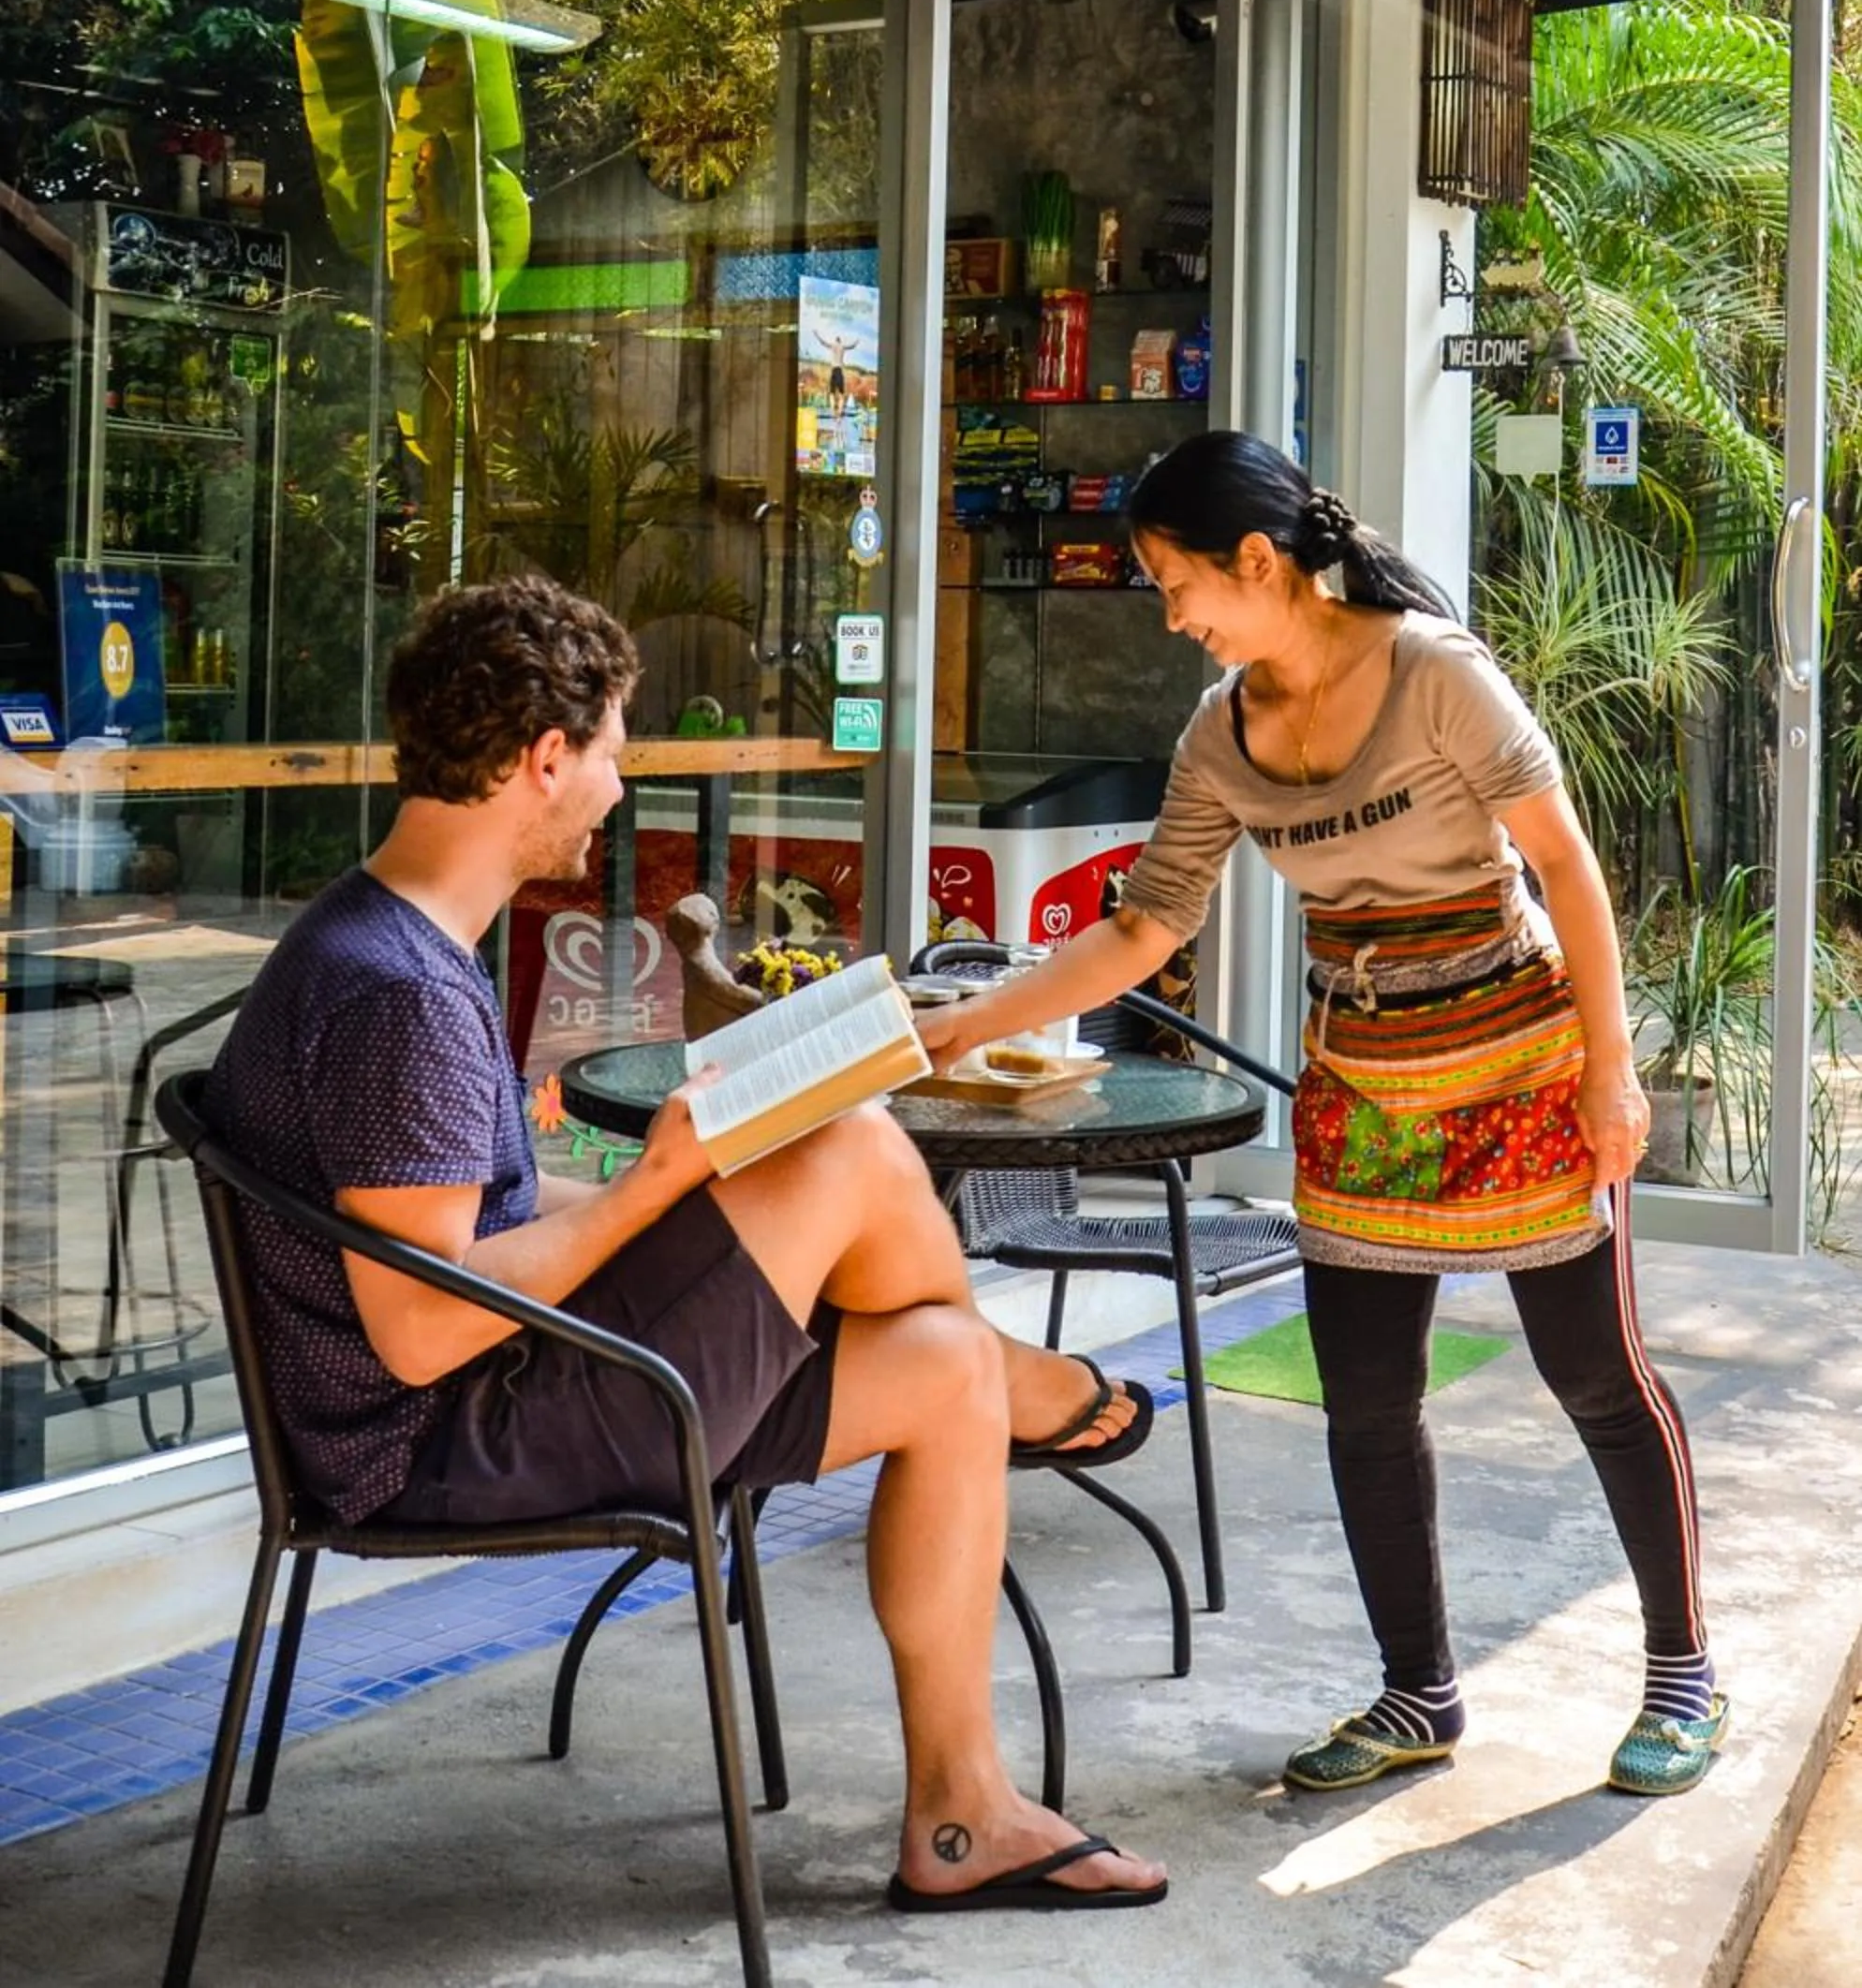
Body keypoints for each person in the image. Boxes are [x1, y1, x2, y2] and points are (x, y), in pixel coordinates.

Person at [206, 574, 1166, 1914]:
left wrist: (679, 1176)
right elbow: (423, 1329)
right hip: (441, 1446)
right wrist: (657, 1188)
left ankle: (962, 1817)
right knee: (852, 1148)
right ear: (544, 759)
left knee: (938, 1362)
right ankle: (1041, 1391)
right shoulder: (396, 995)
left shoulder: (387, 943)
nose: (615, 785)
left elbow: (461, 1239)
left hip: (495, 1396)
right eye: (610, 752)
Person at [916, 431, 1723, 1802]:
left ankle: (1682, 1674)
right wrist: (959, 1026)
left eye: (1179, 584)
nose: (1171, 617)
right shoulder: (1219, 736)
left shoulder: (1437, 676)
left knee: (1595, 1375)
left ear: (1259, 561)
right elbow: (1139, 931)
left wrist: (1612, 1068)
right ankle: (1419, 1696)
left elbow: (1569, 870)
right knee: (1363, 1399)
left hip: (1520, 1067)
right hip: (1362, 1083)